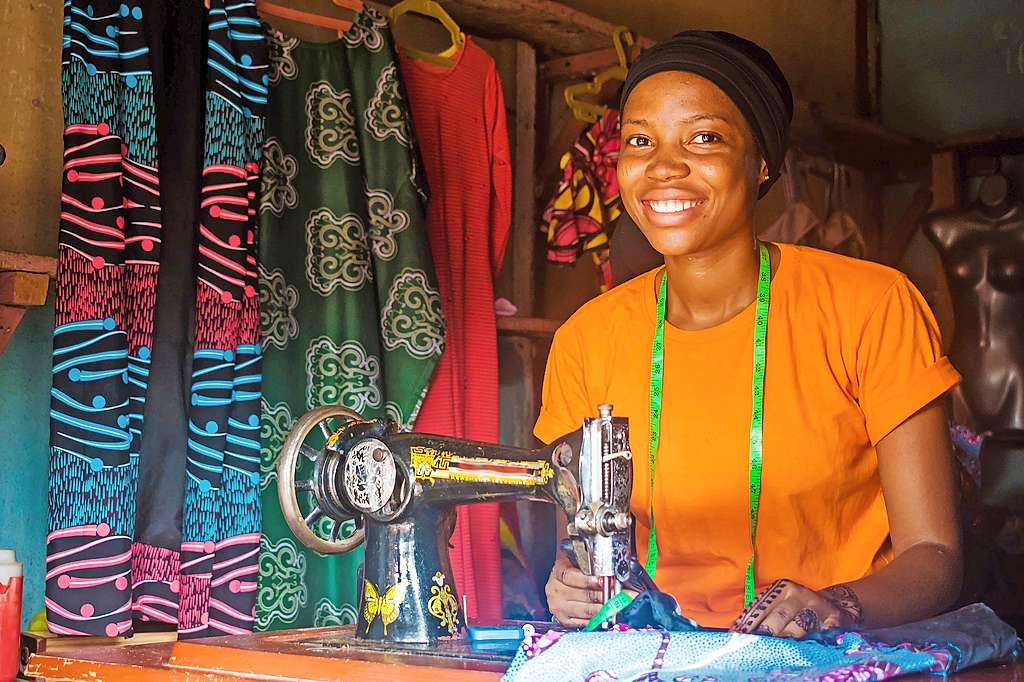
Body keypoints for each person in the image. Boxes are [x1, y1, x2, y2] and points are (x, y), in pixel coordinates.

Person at [538, 31, 963, 639]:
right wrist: (571, 586)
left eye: (703, 137)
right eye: (640, 141)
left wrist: (834, 604)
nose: (663, 166)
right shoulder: (587, 338)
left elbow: (936, 557)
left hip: (839, 658)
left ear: (761, 161)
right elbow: (581, 547)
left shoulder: (872, 306)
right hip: (653, 656)